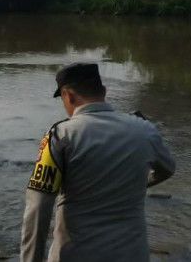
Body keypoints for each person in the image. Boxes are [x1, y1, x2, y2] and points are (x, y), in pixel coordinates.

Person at [20, 63, 175, 262]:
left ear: (68, 95)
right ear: (103, 91)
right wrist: (135, 184)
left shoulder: (59, 136)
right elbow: (167, 169)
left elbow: (38, 208)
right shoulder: (144, 130)